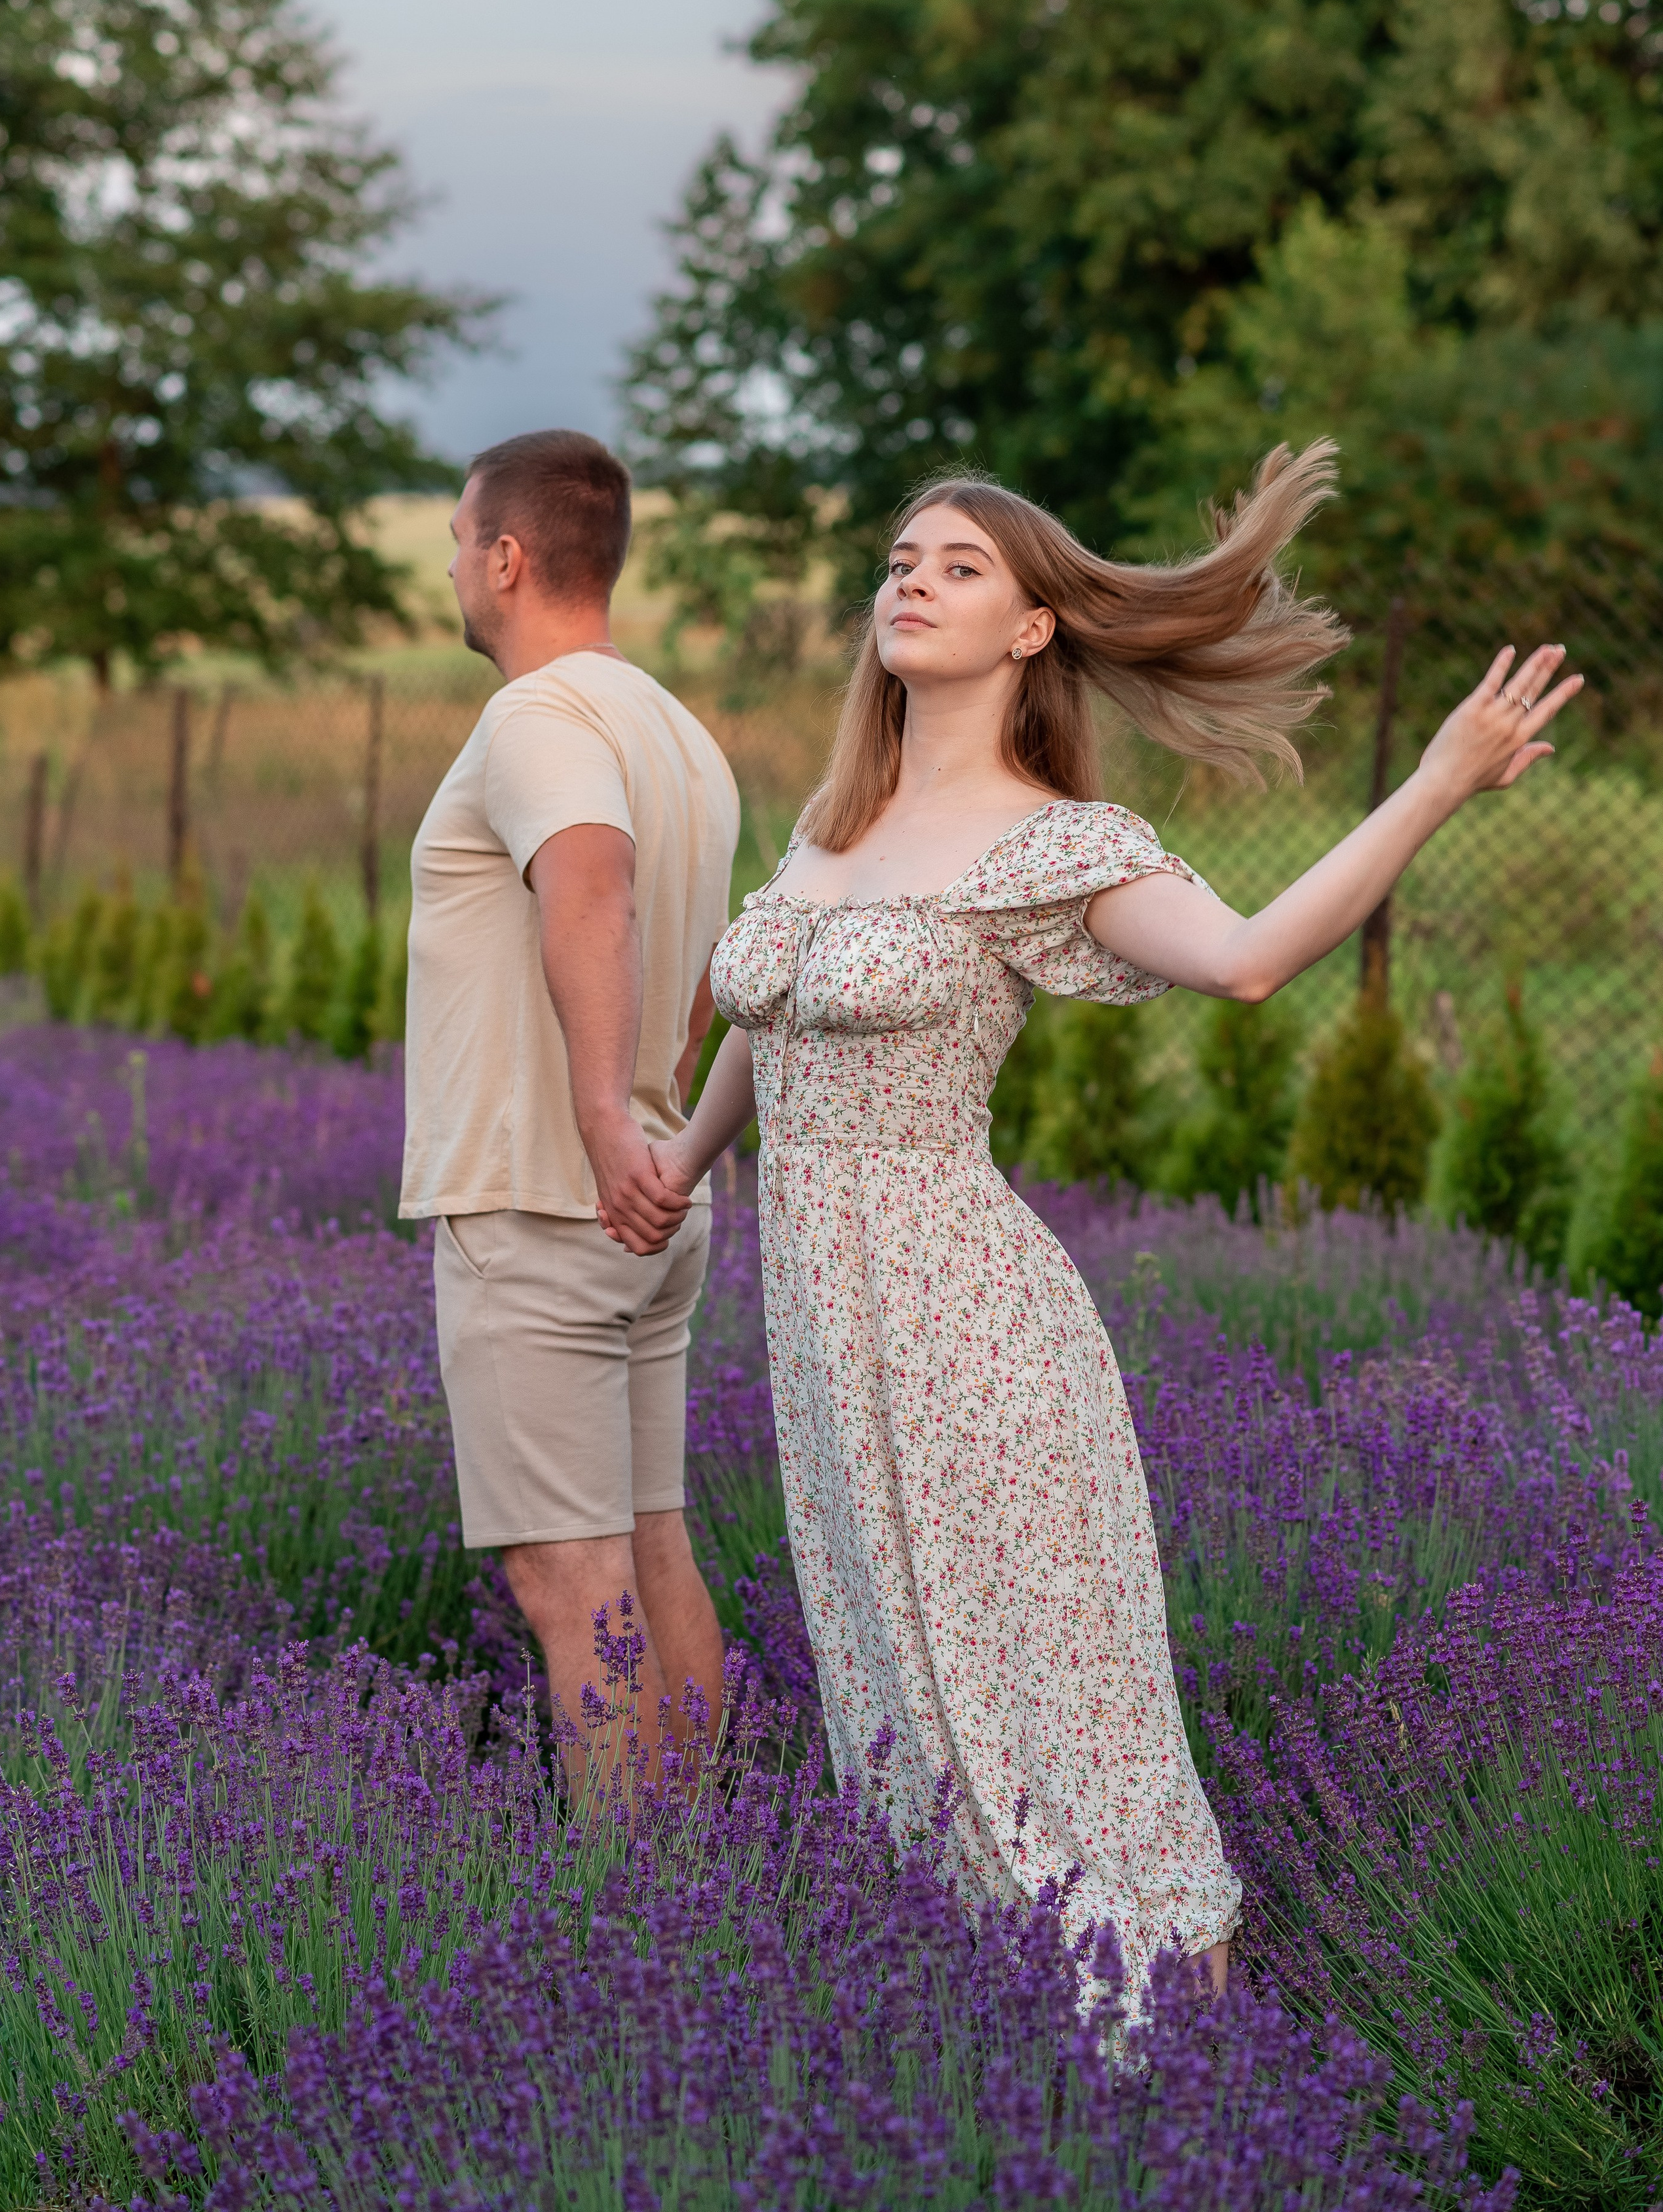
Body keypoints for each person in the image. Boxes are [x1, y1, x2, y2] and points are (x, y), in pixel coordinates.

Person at [603, 438, 1580, 2010]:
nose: (910, 579)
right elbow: (764, 1018)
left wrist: (1436, 783)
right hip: (824, 1336)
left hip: (971, 1327)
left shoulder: (1051, 842)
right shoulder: (829, 827)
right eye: (900, 560)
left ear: (1031, 629)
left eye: (958, 565)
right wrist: (682, 1161)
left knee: (1039, 1690)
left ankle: (1169, 2037)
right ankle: (982, 2033)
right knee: (895, 1683)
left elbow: (1251, 958)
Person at [400, 427, 740, 1795]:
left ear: (506, 554)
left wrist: (601, 1111)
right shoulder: (678, 730)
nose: (453, 570)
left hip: (547, 1199)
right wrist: (648, 1105)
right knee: (654, 1550)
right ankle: (699, 1884)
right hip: (653, 1205)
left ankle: (625, 1933)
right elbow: (715, 964)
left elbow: (589, 880)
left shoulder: (536, 718)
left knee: (565, 1581)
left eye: (453, 546)